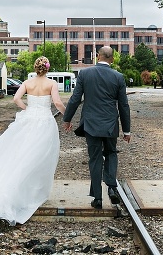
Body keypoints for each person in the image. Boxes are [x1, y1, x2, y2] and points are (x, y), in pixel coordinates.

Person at [0, 56, 66, 225]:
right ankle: (33, 191)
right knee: (40, 157)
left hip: (28, 121)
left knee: (21, 154)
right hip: (45, 122)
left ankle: (17, 188)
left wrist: (28, 109)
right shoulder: (52, 83)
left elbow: (16, 99)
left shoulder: (27, 82)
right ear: (47, 68)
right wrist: (67, 115)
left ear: (36, 67)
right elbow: (57, 102)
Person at [62, 46, 131, 209]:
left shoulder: (85, 74)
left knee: (95, 158)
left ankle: (98, 198)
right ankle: (112, 188)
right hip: (110, 123)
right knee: (111, 153)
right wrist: (126, 130)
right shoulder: (118, 77)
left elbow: (75, 98)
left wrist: (67, 119)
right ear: (112, 59)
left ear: (97, 57)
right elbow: (124, 106)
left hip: (91, 123)